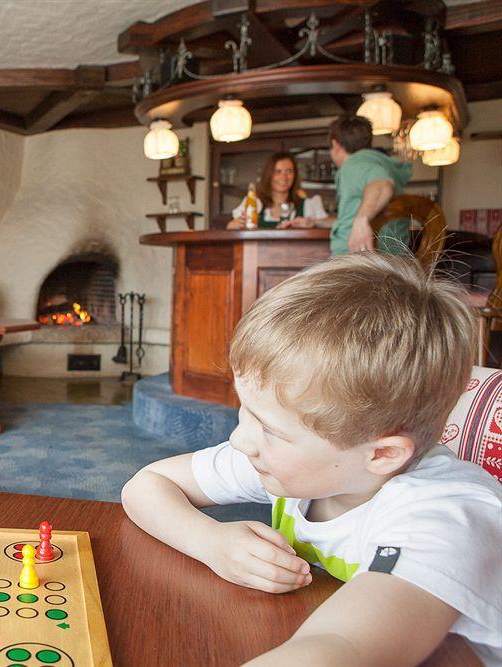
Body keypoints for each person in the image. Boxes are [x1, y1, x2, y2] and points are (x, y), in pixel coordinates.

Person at [122, 253, 501, 665]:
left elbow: (343, 646)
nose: (239, 439)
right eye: (245, 410)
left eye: (270, 428)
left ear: (382, 454)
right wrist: (210, 542)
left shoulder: (444, 517)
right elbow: (146, 485)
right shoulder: (295, 464)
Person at [327, 114, 412, 255]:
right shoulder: (382, 163)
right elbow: (349, 217)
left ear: (335, 145)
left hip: (359, 264)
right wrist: (314, 221)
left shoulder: (354, 164)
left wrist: (362, 220)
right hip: (393, 261)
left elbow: (382, 184)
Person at [226, 152, 328, 230]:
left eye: (289, 171)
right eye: (277, 172)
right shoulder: (254, 203)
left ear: (295, 175)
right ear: (268, 175)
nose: (284, 177)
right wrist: (237, 224)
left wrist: (312, 223)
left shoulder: (307, 204)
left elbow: (325, 232)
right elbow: (231, 227)